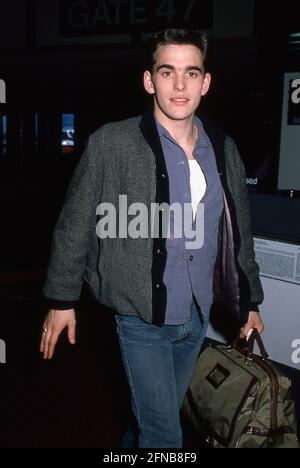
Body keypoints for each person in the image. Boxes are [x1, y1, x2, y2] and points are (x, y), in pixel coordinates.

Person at [40, 29, 264, 448]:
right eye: (168, 72)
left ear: (205, 82)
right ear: (149, 80)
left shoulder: (223, 148)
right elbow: (75, 224)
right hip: (141, 317)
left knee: (150, 424)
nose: (180, 86)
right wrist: (61, 298)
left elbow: (238, 233)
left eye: (190, 73)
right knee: (165, 438)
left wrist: (248, 301)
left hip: (197, 316)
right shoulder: (111, 143)